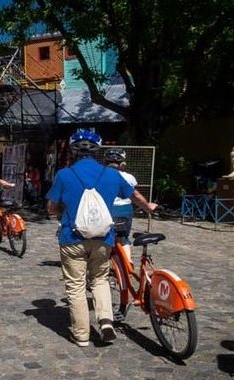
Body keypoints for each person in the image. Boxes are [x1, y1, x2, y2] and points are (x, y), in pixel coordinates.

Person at [46, 130, 157, 347]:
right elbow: (134, 196)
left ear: (73, 150)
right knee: (100, 279)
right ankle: (106, 321)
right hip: (103, 238)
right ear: (98, 150)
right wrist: (149, 207)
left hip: (72, 238)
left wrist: (59, 211)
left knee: (76, 286)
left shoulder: (64, 174)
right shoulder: (112, 174)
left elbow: (51, 207)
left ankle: (81, 335)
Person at [104, 148, 137, 262]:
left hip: (108, 209)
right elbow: (133, 194)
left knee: (103, 237)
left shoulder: (101, 176)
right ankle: (128, 263)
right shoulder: (130, 177)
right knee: (123, 237)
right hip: (125, 210)